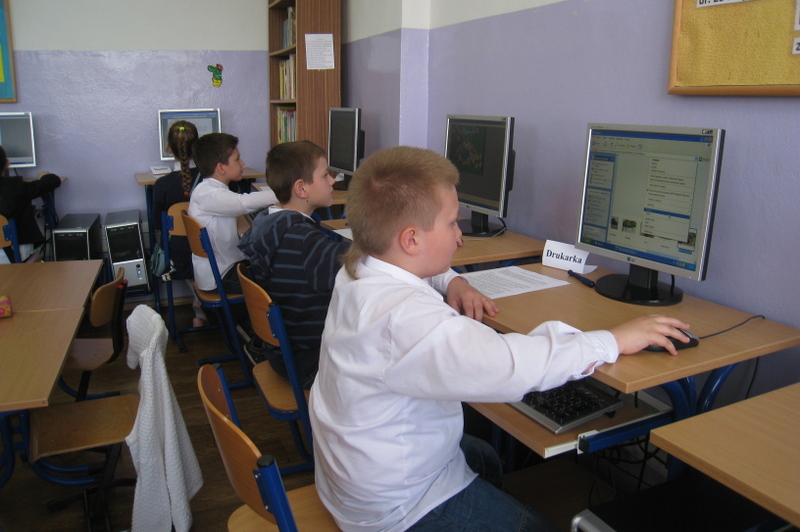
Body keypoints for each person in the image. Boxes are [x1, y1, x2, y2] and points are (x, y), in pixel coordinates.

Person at [309, 146, 691, 532]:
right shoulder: (405, 318)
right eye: (452, 223)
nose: (459, 236)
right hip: (398, 505)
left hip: (356, 468)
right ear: (411, 239)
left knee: (486, 458)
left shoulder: (360, 267)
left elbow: (409, 265)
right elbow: (513, 366)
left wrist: (453, 281)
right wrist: (613, 339)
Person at [239, 140, 350, 388]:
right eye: (325, 175)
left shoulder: (266, 225)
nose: (332, 181)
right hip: (311, 363)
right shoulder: (303, 241)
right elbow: (358, 265)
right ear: (301, 188)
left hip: (285, 354)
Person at [188, 132, 277, 293]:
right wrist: (284, 193)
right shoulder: (207, 194)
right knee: (282, 279)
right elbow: (242, 203)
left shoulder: (211, 190)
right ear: (221, 168)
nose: (242, 163)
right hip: (221, 276)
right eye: (237, 159)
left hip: (222, 268)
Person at [152, 121, 206, 327]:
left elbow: (158, 223)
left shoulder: (162, 185)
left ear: (169, 148)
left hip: (179, 254)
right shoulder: (210, 181)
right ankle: (201, 305)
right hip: (208, 247)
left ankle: (199, 306)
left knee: (178, 245)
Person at [0, 145, 61, 263]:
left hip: (7, 256)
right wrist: (44, 176)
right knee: (37, 256)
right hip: (13, 256)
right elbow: (54, 181)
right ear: (7, 164)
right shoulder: (16, 186)